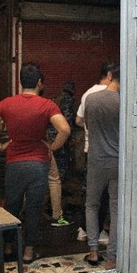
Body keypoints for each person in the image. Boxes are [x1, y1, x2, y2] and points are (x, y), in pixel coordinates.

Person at [0, 62, 70, 264]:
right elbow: (64, 129)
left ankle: (9, 245)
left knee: (11, 205)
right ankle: (28, 251)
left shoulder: (7, 103)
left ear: (21, 82)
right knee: (34, 208)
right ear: (39, 82)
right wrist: (53, 146)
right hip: (38, 162)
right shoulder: (47, 105)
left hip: (14, 163)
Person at [83, 63, 120, 269]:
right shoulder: (123, 102)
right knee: (116, 208)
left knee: (92, 205)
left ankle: (93, 251)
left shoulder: (91, 99)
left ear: (110, 76)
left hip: (96, 160)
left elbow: (87, 125)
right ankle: (112, 257)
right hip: (117, 161)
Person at [74, 64, 115, 243]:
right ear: (109, 75)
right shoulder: (115, 95)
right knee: (106, 197)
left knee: (90, 196)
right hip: (109, 152)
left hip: (90, 150)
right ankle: (100, 232)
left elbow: (78, 120)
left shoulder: (87, 94)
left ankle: (85, 230)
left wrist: (92, 129)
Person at [46, 81, 76, 227]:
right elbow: (67, 124)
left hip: (51, 138)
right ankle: (56, 213)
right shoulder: (68, 100)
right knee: (57, 178)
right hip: (59, 141)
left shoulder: (57, 99)